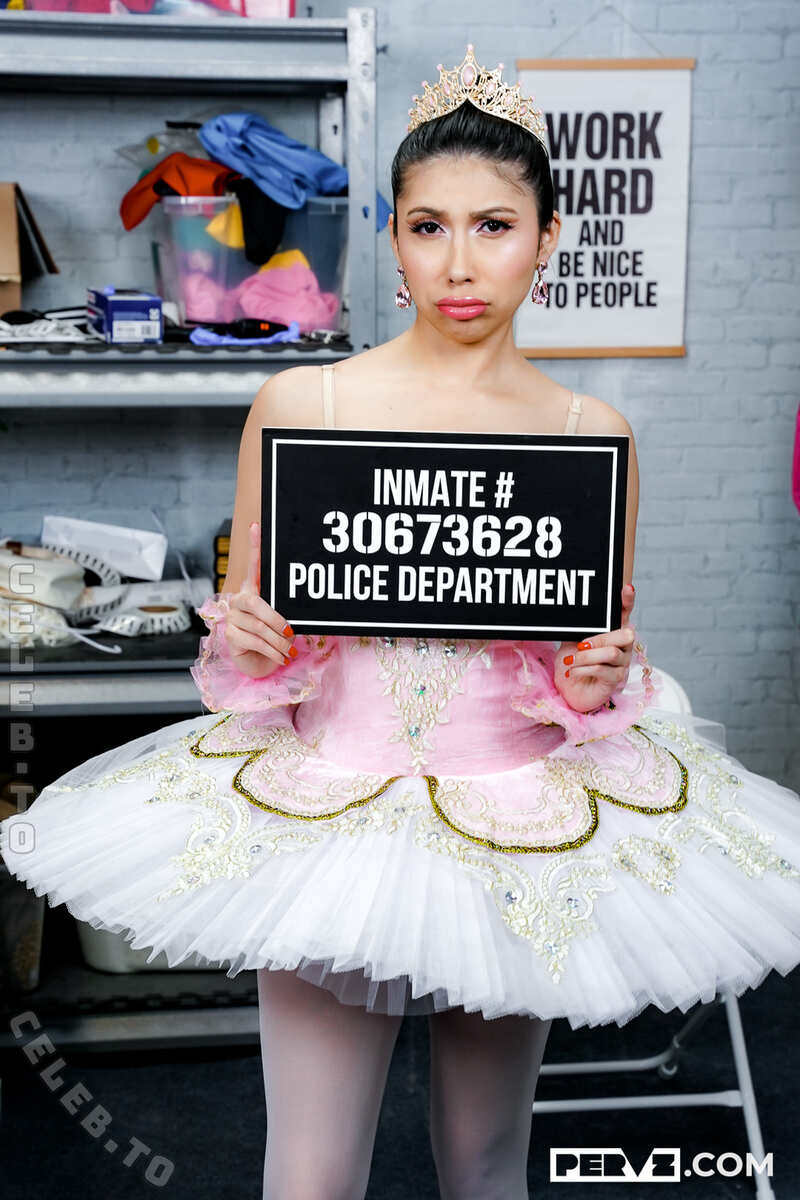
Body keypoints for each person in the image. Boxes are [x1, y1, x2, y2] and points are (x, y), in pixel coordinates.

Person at [3, 44, 800, 1200]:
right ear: (392, 239)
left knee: (485, 1163)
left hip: (518, 811)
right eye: (428, 227)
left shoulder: (588, 434)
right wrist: (250, 644)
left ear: (547, 237)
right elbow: (248, 642)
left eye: (493, 226)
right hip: (330, 804)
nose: (458, 262)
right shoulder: (303, 402)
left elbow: (585, 658)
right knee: (312, 1173)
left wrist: (591, 688)